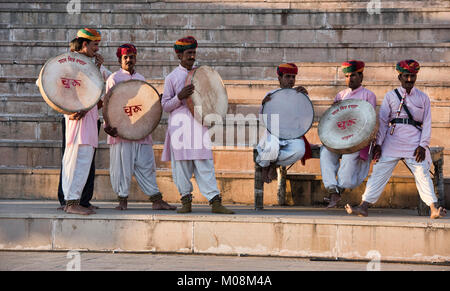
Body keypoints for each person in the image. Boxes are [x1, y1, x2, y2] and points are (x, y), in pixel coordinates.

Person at [345, 59, 447, 219]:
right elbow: (384, 122)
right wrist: (378, 144)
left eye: (412, 76)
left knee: (422, 171)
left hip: (414, 142)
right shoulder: (390, 96)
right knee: (379, 171)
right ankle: (364, 206)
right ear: (399, 77)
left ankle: (433, 208)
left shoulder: (423, 98)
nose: (409, 80)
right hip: (392, 140)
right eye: (406, 76)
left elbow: (427, 123)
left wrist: (423, 145)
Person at [161, 36, 234, 214]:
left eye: (193, 53)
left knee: (204, 162)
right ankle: (186, 202)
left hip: (199, 125)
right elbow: (164, 105)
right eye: (188, 53)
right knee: (182, 165)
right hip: (179, 127)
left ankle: (215, 203)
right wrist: (179, 96)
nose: (192, 56)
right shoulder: (171, 77)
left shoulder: (202, 74)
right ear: (179, 55)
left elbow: (213, 96)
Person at [103, 43, 176, 211]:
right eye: (125, 57)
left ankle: (157, 200)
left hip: (141, 131)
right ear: (120, 60)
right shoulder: (114, 78)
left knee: (147, 164)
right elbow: (108, 104)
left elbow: (144, 102)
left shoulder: (141, 79)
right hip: (121, 131)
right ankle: (122, 201)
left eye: (132, 57)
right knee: (122, 167)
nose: (129, 60)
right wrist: (108, 126)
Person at [61, 28, 111, 215]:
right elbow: (60, 87)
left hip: (89, 116)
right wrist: (68, 111)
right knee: (75, 159)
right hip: (76, 117)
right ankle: (71, 203)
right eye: (95, 45)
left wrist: (97, 68)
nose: (97, 49)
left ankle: (74, 201)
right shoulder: (70, 62)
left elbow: (95, 88)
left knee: (84, 159)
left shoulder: (92, 64)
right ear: (84, 44)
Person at [320, 60, 377, 208]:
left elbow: (370, 121)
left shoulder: (368, 95)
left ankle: (339, 191)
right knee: (325, 152)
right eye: (347, 76)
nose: (349, 79)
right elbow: (332, 119)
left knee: (349, 159)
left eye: (353, 75)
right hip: (339, 138)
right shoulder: (341, 95)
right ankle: (332, 189)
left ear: (361, 76)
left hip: (358, 140)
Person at [255, 63, 312, 183]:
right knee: (272, 147)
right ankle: (265, 166)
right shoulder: (271, 95)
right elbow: (262, 120)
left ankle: (271, 164)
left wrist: (305, 98)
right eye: (287, 76)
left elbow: (306, 117)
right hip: (273, 133)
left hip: (292, 135)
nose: (291, 80)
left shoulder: (299, 95)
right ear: (279, 78)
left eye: (293, 77)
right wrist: (263, 105)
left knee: (299, 150)